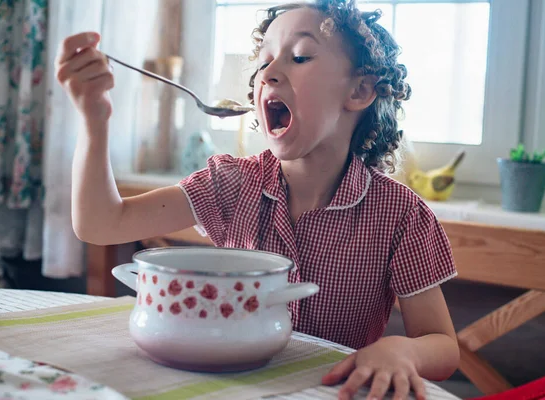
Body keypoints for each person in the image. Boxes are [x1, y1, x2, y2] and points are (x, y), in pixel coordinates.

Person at [55, 1, 460, 398]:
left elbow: (441, 346)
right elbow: (101, 223)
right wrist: (94, 119)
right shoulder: (230, 182)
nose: (269, 73)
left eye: (300, 57)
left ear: (359, 90)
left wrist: (400, 348)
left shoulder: (402, 214)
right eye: (263, 62)